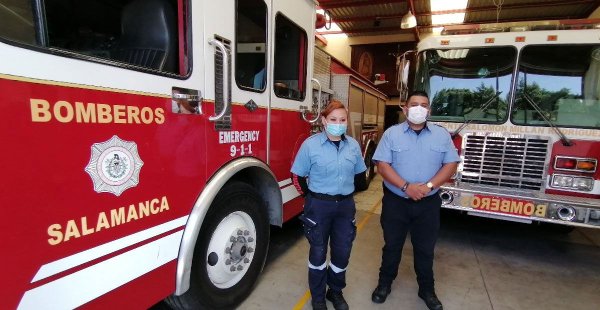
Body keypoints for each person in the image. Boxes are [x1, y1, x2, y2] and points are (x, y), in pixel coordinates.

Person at [370, 91, 459, 310]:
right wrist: (406, 187)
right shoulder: (392, 134)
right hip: (396, 202)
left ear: (429, 110)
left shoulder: (441, 135)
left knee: (425, 249)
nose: (419, 108)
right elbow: (382, 165)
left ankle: (427, 290)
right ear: (405, 108)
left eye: (424, 105)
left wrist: (428, 187)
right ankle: (384, 285)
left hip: (428, 204)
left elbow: (450, 165)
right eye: (414, 104)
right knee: (392, 246)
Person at [291, 100, 368, 310]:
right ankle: (318, 297)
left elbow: (361, 175)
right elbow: (297, 176)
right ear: (324, 121)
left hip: (345, 207)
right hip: (319, 207)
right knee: (317, 253)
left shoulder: (353, 145)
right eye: (333, 119)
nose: (338, 123)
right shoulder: (310, 145)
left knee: (342, 252)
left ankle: (335, 292)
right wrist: (311, 198)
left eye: (342, 119)